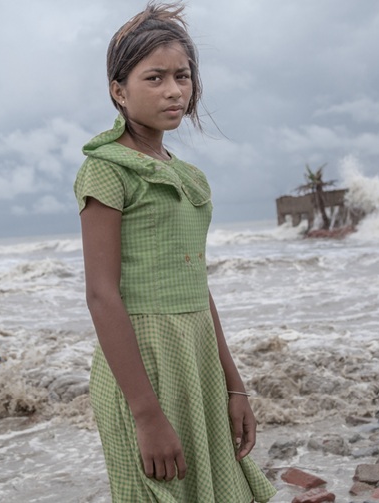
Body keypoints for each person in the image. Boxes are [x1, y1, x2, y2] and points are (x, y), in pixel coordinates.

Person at [73, 3, 276, 501]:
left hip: (197, 356)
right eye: (155, 77)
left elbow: (197, 287)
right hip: (144, 363)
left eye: (182, 76)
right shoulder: (108, 170)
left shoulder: (188, 176)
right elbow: (101, 295)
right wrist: (145, 413)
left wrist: (235, 385)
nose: (173, 90)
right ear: (118, 91)